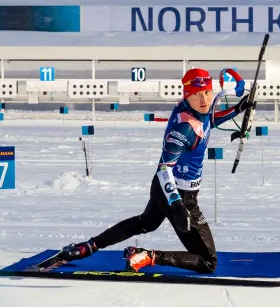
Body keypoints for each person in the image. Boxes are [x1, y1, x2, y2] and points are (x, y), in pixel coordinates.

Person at [56, 67, 254, 273]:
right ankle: (148, 256)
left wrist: (237, 109)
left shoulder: (195, 110)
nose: (204, 99)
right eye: (196, 94)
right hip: (178, 194)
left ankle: (89, 246)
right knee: (208, 262)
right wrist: (177, 205)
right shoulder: (184, 128)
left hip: (163, 190)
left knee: (145, 223)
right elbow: (164, 168)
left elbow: (209, 120)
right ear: (187, 96)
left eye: (207, 92)